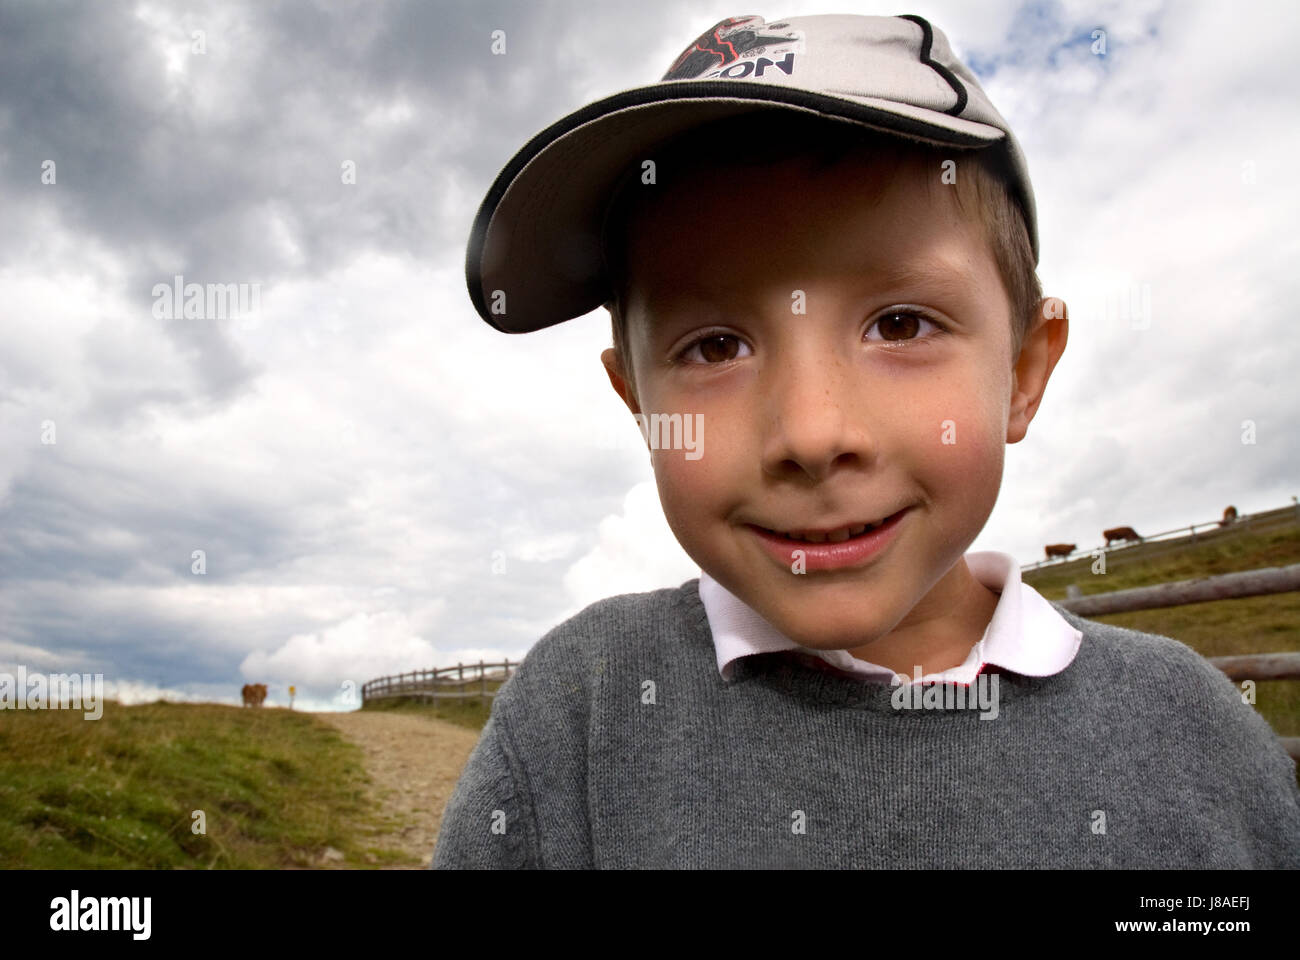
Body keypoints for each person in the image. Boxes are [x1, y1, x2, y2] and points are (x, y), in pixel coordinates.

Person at [434, 13, 1300, 868]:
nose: (813, 435)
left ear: (1024, 372)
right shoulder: (579, 715)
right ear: (638, 401)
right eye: (715, 346)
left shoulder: (1190, 729)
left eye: (900, 324)